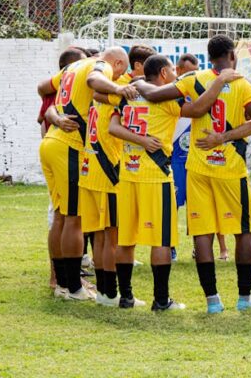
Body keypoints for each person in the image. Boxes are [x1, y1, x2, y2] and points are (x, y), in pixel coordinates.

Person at [134, 35, 251, 314]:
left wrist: (137, 81)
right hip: (231, 168)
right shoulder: (240, 83)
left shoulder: (192, 79)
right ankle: (244, 298)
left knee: (202, 232)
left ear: (209, 57)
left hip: (198, 167)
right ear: (232, 55)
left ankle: (213, 301)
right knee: (243, 232)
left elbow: (152, 94)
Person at [110, 54, 223, 311]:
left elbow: (113, 128)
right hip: (155, 174)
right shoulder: (167, 99)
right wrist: (219, 83)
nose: (175, 75)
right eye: (172, 70)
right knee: (161, 240)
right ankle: (161, 300)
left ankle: (125, 296)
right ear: (163, 73)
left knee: (126, 238)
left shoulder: (127, 95)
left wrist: (137, 140)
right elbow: (198, 110)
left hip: (128, 173)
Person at [38, 47, 136, 301]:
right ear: (115, 63)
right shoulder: (100, 66)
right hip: (68, 145)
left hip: (51, 142)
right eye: (119, 73)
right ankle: (73, 288)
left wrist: (55, 115)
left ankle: (62, 283)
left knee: (61, 216)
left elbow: (42, 88)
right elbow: (95, 81)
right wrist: (117, 89)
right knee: (74, 218)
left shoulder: (71, 68)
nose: (116, 79)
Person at [82, 44, 155, 307]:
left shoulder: (104, 88)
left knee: (101, 236)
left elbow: (97, 92)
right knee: (112, 235)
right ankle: (113, 294)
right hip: (108, 168)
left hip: (90, 166)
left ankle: (104, 293)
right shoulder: (119, 86)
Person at [40, 47, 86, 290]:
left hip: (54, 152)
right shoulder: (63, 90)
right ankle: (68, 282)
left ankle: (62, 280)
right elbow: (45, 111)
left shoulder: (63, 91)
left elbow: (45, 104)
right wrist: (56, 121)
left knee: (61, 217)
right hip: (63, 155)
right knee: (68, 218)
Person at [171, 53, 200, 260]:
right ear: (178, 70)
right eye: (188, 72)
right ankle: (170, 245)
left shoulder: (201, 90)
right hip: (175, 157)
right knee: (173, 205)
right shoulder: (172, 92)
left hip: (196, 156)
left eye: (195, 72)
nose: (193, 76)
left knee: (198, 206)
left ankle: (199, 247)